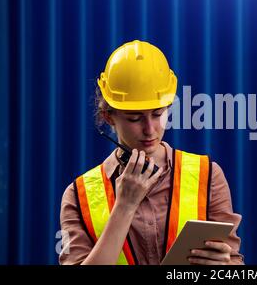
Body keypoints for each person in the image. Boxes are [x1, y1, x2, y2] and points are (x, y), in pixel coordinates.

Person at [59, 40, 244, 265]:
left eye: (157, 114)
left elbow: (235, 265)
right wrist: (125, 204)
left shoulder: (208, 176)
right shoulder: (79, 197)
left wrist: (223, 267)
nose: (149, 129)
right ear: (108, 117)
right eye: (134, 118)